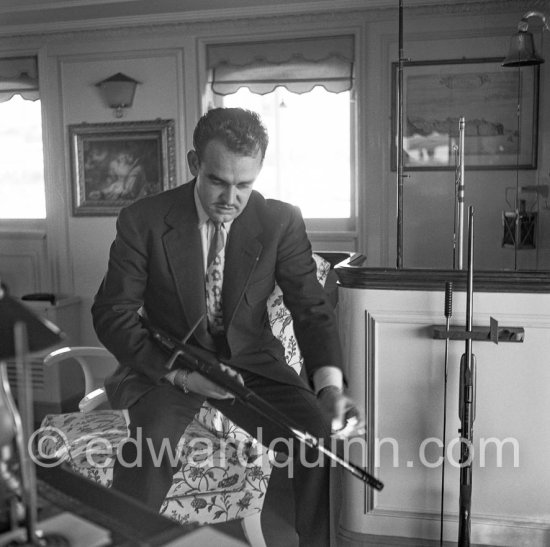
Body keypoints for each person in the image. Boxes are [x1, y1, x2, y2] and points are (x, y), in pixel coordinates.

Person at [92, 107, 363, 547]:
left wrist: (329, 388)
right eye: (218, 181)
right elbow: (112, 313)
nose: (230, 198)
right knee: (149, 448)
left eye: (244, 184)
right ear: (195, 164)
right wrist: (179, 374)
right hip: (170, 364)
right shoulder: (142, 220)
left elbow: (310, 309)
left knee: (318, 436)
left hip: (252, 362)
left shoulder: (279, 221)